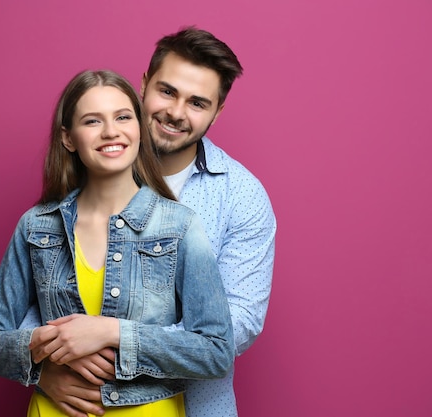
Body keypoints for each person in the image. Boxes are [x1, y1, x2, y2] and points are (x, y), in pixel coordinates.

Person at [32, 27, 277, 417]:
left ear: (217, 112)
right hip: (73, 405)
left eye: (198, 103)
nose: (176, 113)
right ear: (143, 85)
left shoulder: (242, 197)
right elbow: (36, 292)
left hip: (196, 407)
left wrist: (111, 342)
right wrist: (41, 365)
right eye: (167, 91)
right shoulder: (90, 164)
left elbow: (236, 325)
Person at [0, 69, 235, 416]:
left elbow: (216, 351)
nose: (111, 131)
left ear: (138, 127)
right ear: (69, 138)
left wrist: (112, 332)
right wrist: (41, 355)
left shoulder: (178, 226)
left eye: (123, 117)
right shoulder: (36, 226)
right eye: (93, 121)